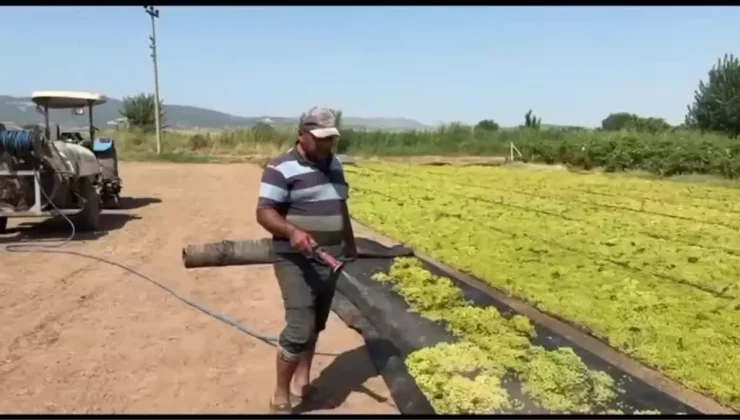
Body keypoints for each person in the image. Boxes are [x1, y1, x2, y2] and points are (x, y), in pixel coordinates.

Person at [256, 106, 357, 414]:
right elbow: (264, 212)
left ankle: (303, 383)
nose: (328, 145)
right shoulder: (280, 167)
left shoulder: (335, 164)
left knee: (315, 325)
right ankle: (280, 395)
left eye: (331, 138)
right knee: (299, 327)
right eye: (321, 138)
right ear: (301, 135)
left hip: (329, 258)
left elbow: (340, 206)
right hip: (294, 260)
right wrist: (291, 231)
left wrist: (349, 243)